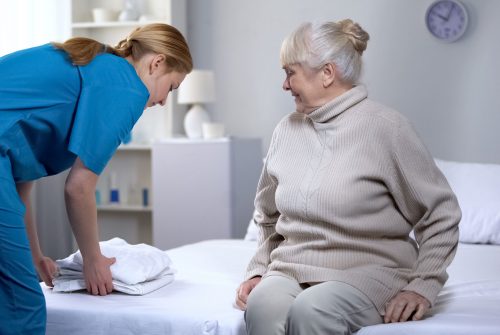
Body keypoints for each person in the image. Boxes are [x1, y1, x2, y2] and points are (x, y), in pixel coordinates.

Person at [235, 19, 461, 334]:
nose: (284, 85)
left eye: (290, 73)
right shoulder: (287, 130)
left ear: (327, 73)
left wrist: (424, 284)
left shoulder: (386, 128)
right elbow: (268, 214)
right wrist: (259, 269)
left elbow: (441, 214)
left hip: (368, 271)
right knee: (260, 307)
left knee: (312, 310)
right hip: (290, 268)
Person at [0, 23, 192, 335]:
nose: (162, 102)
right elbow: (78, 187)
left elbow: (19, 180)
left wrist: (35, 257)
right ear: (157, 64)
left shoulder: (100, 67)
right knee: (23, 309)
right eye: (171, 87)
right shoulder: (127, 87)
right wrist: (93, 259)